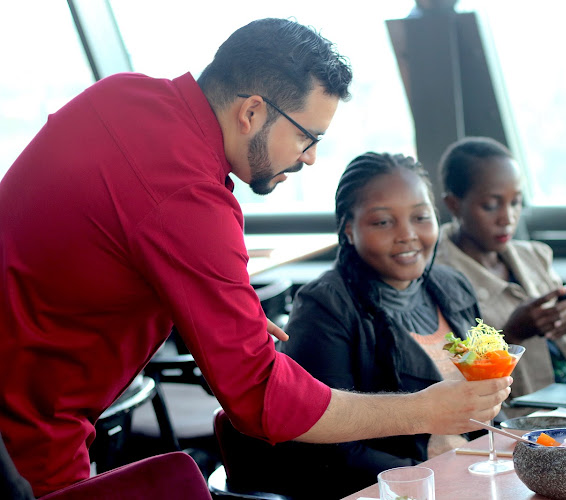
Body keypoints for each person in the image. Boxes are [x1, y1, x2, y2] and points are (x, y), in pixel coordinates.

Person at [0, 19, 509, 496]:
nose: (309, 157)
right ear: (251, 112)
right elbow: (262, 403)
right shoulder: (189, 199)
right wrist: (424, 411)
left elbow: (102, 239)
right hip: (24, 426)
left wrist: (217, 309)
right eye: (307, 137)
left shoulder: (123, 95)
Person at [276, 152, 512, 497]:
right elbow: (323, 448)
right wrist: (427, 476)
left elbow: (482, 412)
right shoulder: (324, 308)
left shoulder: (452, 285)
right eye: (383, 222)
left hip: (470, 477)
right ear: (349, 229)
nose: (408, 235)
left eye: (420, 217)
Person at [434, 137, 566, 415]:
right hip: (518, 426)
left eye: (516, 202)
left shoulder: (533, 257)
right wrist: (511, 335)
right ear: (453, 205)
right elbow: (454, 385)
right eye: (491, 205)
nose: (508, 217)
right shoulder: (437, 278)